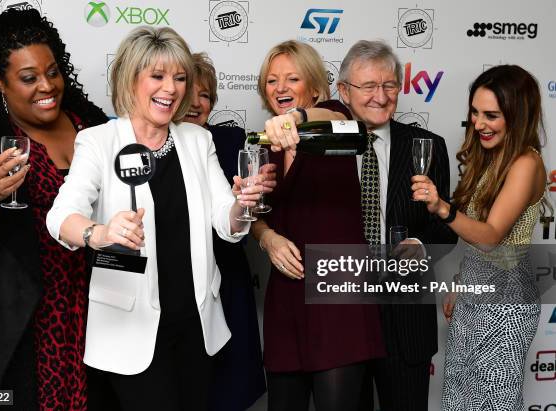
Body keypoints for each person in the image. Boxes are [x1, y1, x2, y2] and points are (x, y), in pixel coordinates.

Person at [45, 27, 269, 411]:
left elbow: (224, 221)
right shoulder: (99, 141)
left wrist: (241, 205)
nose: (171, 89)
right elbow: (61, 216)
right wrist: (99, 232)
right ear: (131, 78)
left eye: (180, 78)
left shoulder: (197, 141)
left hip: (196, 325)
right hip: (129, 330)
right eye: (158, 76)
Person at [266, 39, 457, 411]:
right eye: (368, 86)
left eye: (389, 86)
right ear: (343, 92)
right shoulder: (321, 144)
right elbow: (278, 213)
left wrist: (419, 244)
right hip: (340, 317)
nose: (380, 96)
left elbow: (446, 227)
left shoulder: (426, 145)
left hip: (402, 318)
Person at [0, 8, 107, 410]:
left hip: (97, 312)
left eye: (52, 72)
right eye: (29, 77)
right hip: (17, 323)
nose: (46, 86)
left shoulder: (94, 128)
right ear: (0, 82)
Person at [251, 39, 385, 411]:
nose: (280, 88)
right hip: (287, 296)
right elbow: (253, 217)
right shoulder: (266, 148)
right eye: (272, 80)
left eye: (292, 79)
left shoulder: (336, 120)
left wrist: (296, 119)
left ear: (313, 87)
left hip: (337, 297)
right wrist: (268, 238)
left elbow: (338, 118)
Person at [412, 65, 545, 410]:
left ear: (518, 116)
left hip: (505, 308)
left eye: (491, 115)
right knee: (457, 402)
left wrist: (442, 208)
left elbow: (491, 237)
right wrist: (462, 280)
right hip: (473, 299)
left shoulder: (526, 163)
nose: (479, 123)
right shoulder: (490, 155)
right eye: (474, 112)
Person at [183, 52, 267, 411]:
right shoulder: (149, 145)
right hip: (178, 285)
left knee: (229, 389)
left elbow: (249, 209)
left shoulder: (233, 140)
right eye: (187, 93)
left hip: (228, 277)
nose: (195, 103)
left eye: (204, 95)